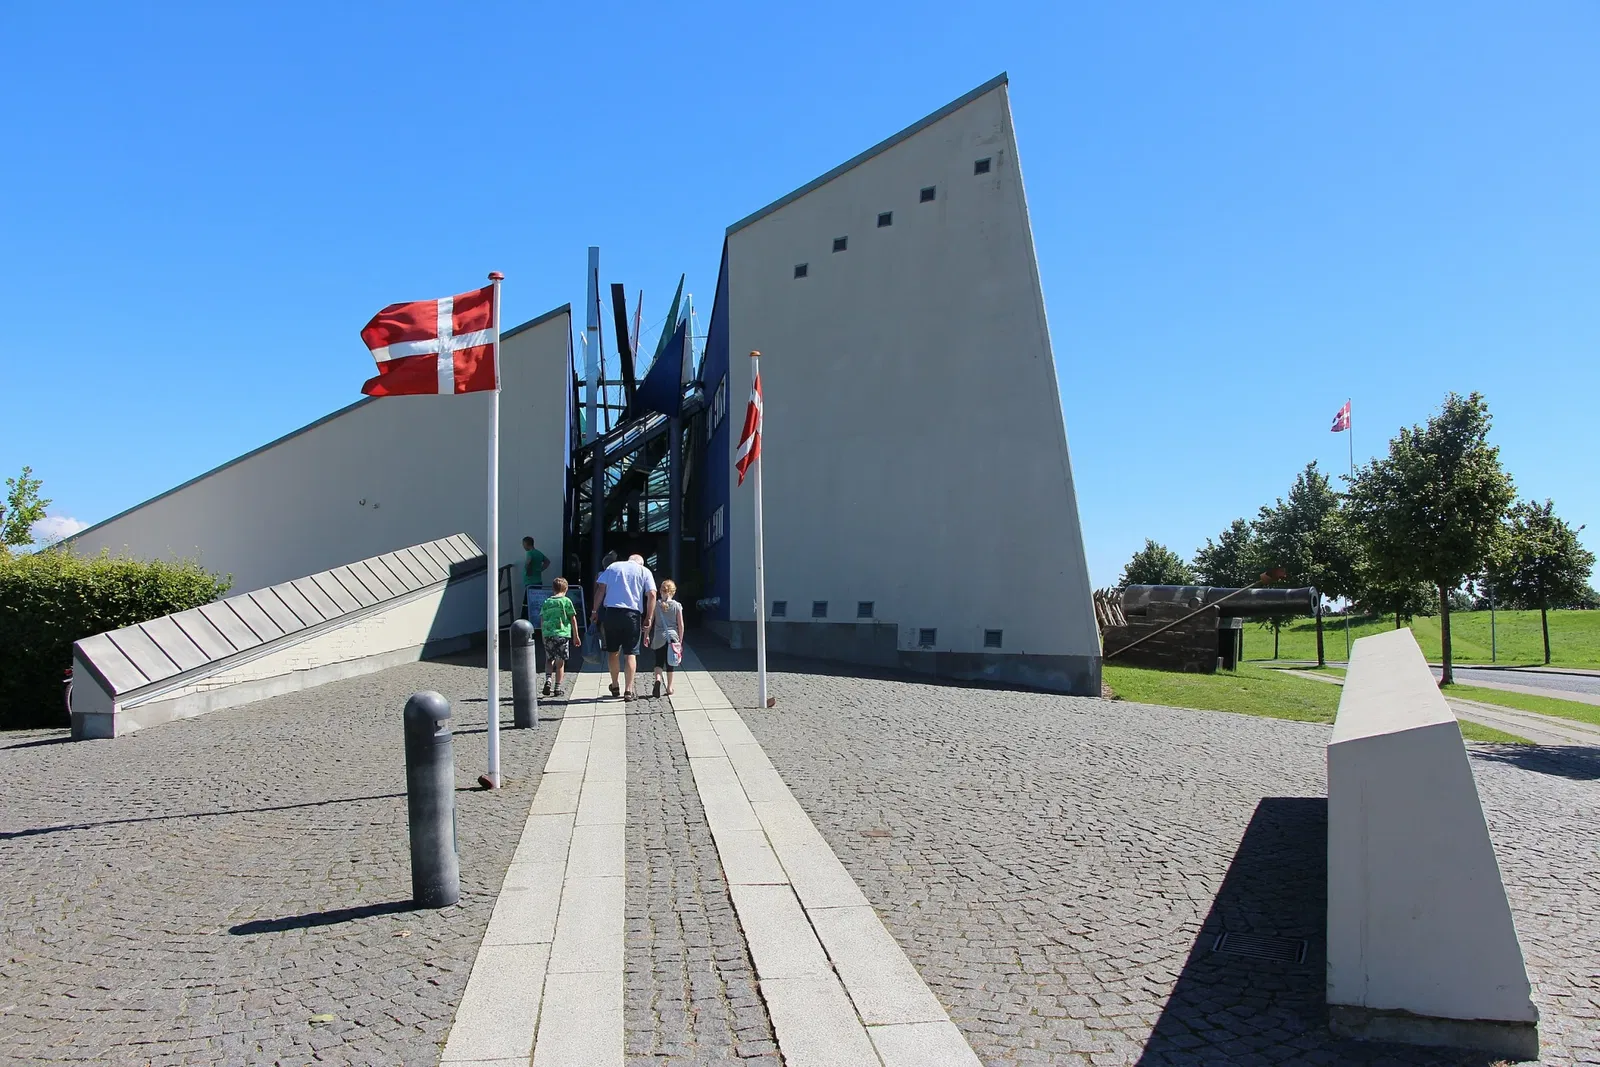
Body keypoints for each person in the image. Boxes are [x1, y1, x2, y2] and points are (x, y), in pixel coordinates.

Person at [589, 552, 656, 701]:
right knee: (630, 653)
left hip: (611, 614)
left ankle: (614, 684)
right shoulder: (644, 571)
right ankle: (628, 690)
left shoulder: (613, 567)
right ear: (641, 563)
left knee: (613, 652)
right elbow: (652, 594)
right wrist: (649, 617)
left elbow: (601, 589)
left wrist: (594, 611)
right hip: (632, 616)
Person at [539, 577, 580, 697]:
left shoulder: (547, 602)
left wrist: (543, 634)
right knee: (560, 662)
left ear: (553, 589)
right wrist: (576, 636)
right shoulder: (566, 601)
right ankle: (557, 687)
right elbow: (573, 619)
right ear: (566, 589)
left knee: (549, 659)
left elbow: (542, 619)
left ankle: (548, 680)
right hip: (562, 634)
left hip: (548, 634)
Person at [647, 579, 685, 698]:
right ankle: (669, 687)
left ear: (660, 591)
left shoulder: (656, 605)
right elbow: (681, 624)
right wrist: (680, 640)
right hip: (673, 637)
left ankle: (658, 679)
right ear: (673, 592)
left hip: (659, 637)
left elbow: (650, 621)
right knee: (670, 663)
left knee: (658, 662)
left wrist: (646, 635)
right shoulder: (677, 606)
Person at [522, 536, 550, 619]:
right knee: (536, 602)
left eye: (523, 544)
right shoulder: (539, 553)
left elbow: (528, 562)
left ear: (527, 544)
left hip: (530, 582)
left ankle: (525, 620)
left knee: (527, 604)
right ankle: (537, 620)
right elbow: (547, 561)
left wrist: (528, 570)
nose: (523, 546)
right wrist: (540, 569)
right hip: (538, 581)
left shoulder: (530, 553)